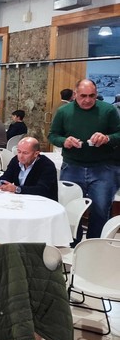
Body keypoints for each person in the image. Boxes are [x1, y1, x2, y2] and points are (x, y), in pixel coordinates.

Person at [48, 79, 120, 239]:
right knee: (70, 209)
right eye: (83, 96)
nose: (87, 100)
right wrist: (64, 141)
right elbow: (52, 135)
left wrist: (107, 138)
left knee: (101, 210)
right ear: (75, 94)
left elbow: (118, 134)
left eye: (92, 96)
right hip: (72, 166)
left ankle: (94, 245)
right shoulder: (64, 111)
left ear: (96, 94)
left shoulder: (108, 110)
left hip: (102, 168)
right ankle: (72, 242)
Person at [0, 137, 58, 201]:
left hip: (43, 202)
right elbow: (7, 176)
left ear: (36, 154)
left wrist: (17, 189)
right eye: (19, 152)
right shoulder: (15, 160)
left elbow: (42, 190)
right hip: (21, 200)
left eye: (25, 153)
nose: (21, 156)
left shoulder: (47, 165)